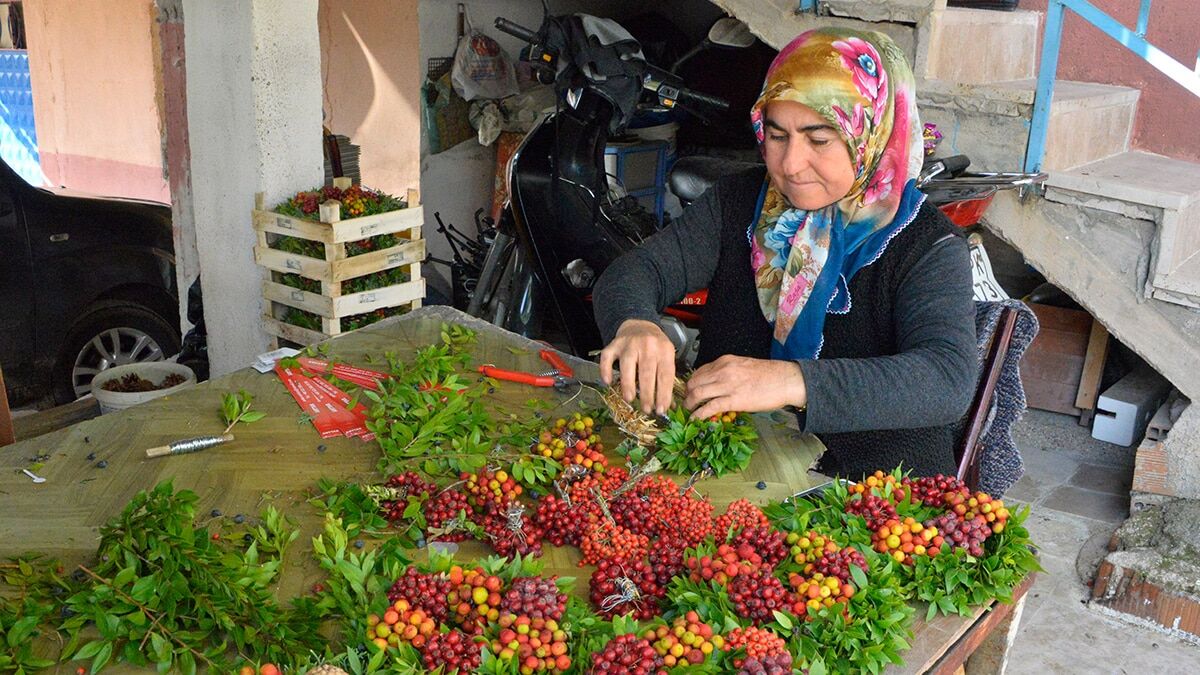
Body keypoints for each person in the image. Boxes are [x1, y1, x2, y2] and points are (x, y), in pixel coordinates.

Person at [592, 28, 977, 478]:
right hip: (733, 465)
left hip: (874, 490)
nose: (791, 164)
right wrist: (634, 322)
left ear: (870, 134)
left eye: (819, 140)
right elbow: (638, 271)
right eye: (776, 136)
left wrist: (793, 380)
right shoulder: (737, 203)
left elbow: (946, 377)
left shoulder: (926, 245)